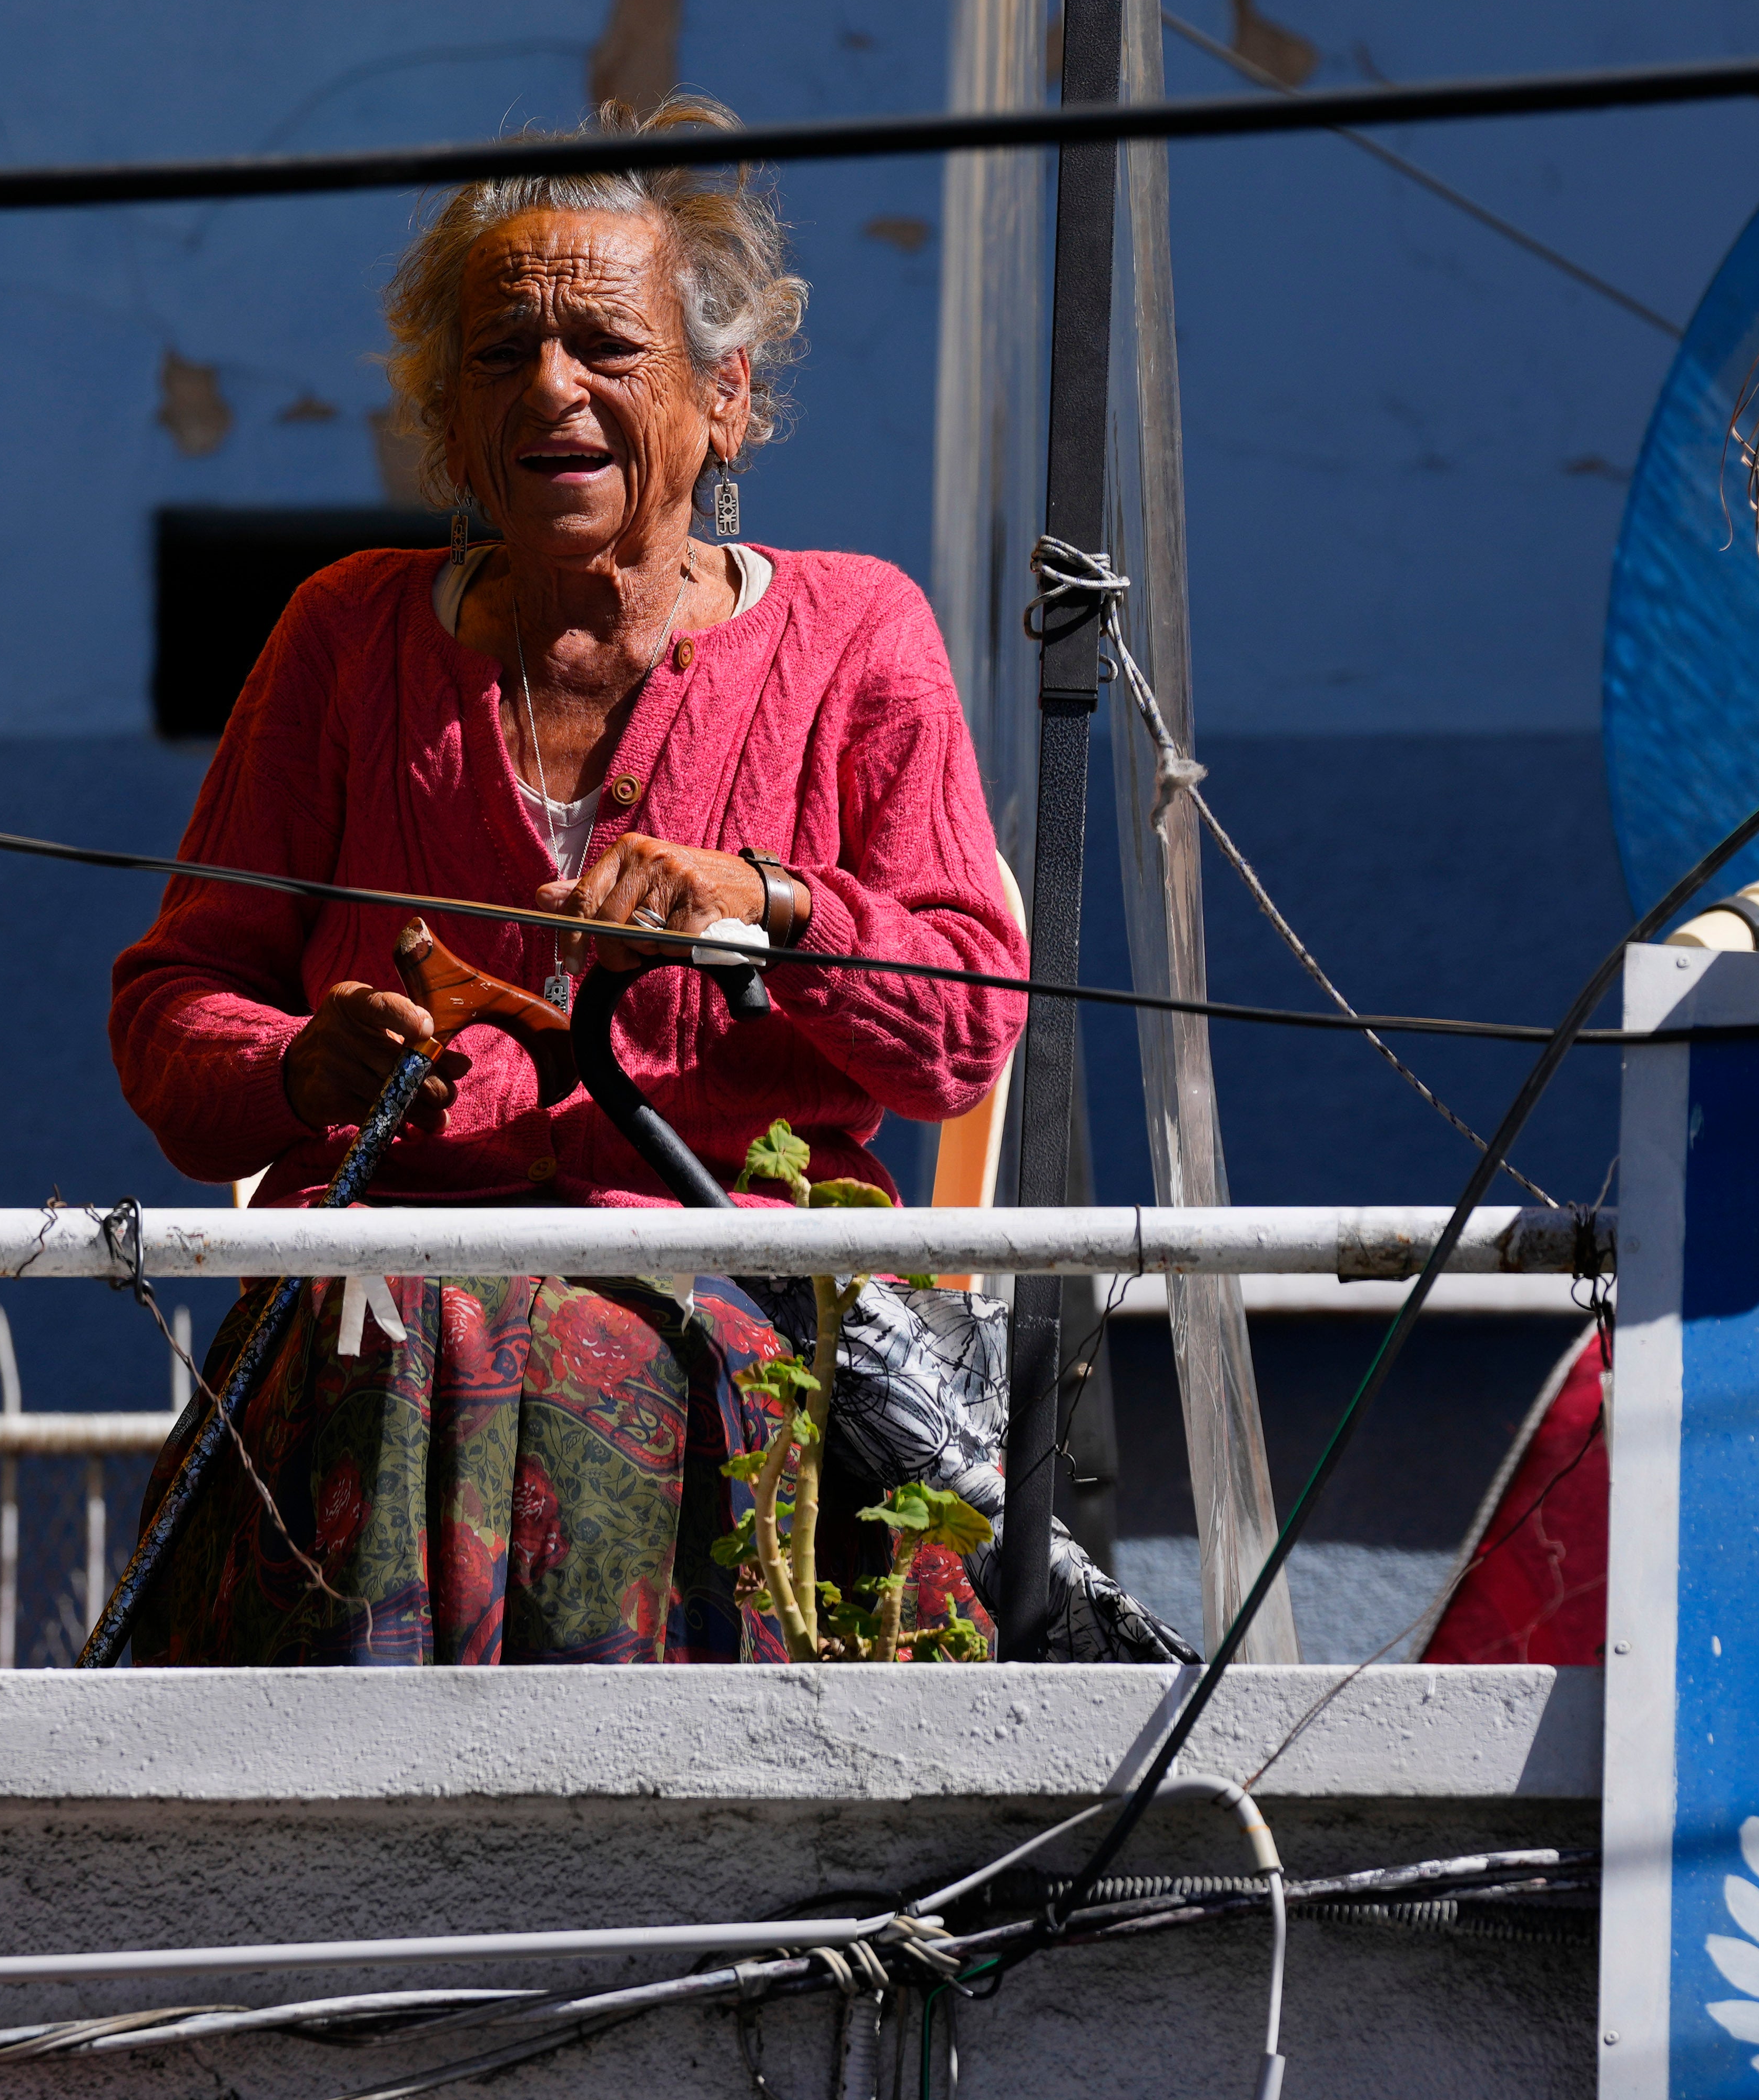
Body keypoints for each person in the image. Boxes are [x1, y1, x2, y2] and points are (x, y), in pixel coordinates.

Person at [104, 102, 1190, 1666]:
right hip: (377, 1312)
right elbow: (170, 1013)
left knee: (531, 1341)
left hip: (729, 1297)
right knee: (415, 1330)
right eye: (500, 353)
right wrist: (296, 1059)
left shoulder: (853, 635)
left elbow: (963, 1025)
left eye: (605, 346)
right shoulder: (342, 635)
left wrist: (774, 901)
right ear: (449, 416)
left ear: (725, 396)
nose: (551, 385)